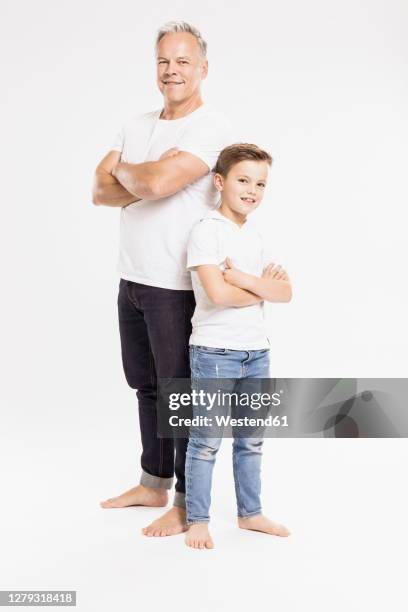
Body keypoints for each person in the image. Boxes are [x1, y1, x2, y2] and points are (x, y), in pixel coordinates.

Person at [92, 21, 232, 537]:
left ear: (203, 69)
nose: (171, 71)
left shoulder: (211, 128)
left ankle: (183, 502)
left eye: (182, 62)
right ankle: (152, 481)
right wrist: (146, 176)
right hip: (132, 277)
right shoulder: (135, 123)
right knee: (145, 387)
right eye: (163, 62)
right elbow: (99, 190)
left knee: (180, 393)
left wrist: (135, 173)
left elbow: (154, 183)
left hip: (175, 284)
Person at [184, 143, 292, 549]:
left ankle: (250, 513)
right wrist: (261, 287)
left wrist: (244, 280)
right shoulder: (206, 230)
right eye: (243, 180)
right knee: (207, 440)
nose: (252, 190)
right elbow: (216, 295)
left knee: (251, 439)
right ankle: (198, 519)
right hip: (215, 353)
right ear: (220, 182)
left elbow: (286, 293)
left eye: (260, 183)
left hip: (257, 352)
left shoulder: (257, 235)